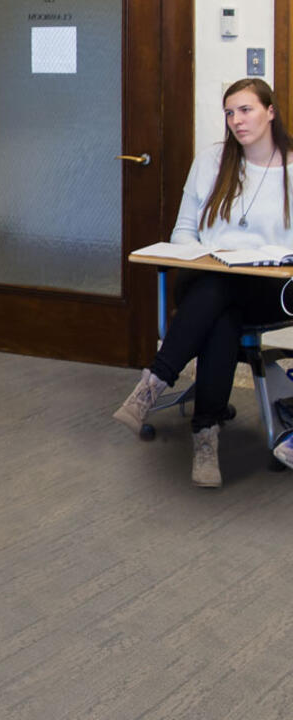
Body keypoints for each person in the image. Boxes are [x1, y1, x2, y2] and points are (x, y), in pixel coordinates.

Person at [114, 78, 293, 487]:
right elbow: (183, 230)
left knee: (223, 314)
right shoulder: (212, 161)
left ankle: (157, 386)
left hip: (267, 287)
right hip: (205, 276)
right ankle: (203, 435)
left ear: (270, 112)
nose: (236, 120)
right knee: (218, 290)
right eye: (229, 113)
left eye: (245, 110)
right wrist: (203, 256)